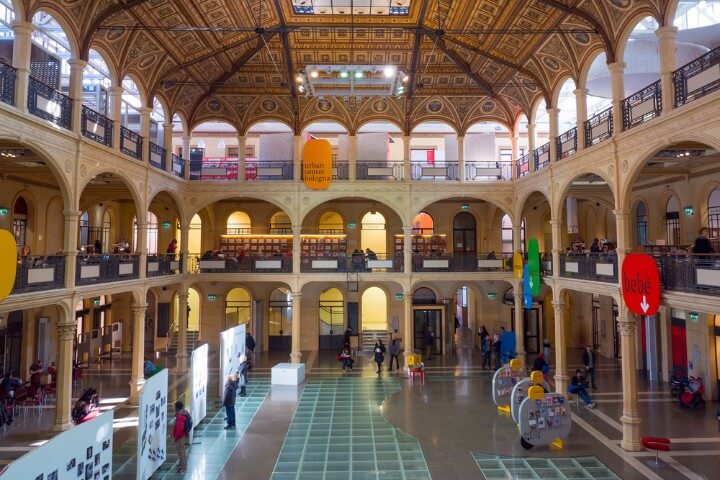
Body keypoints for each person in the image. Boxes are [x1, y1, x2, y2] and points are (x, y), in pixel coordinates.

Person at [172, 401, 191, 473]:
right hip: (183, 435)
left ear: (177, 407)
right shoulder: (184, 412)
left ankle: (182, 466)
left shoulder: (180, 417)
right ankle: (182, 463)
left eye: (175, 407)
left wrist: (176, 437)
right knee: (182, 450)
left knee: (180, 451)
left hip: (180, 436)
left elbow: (179, 429)